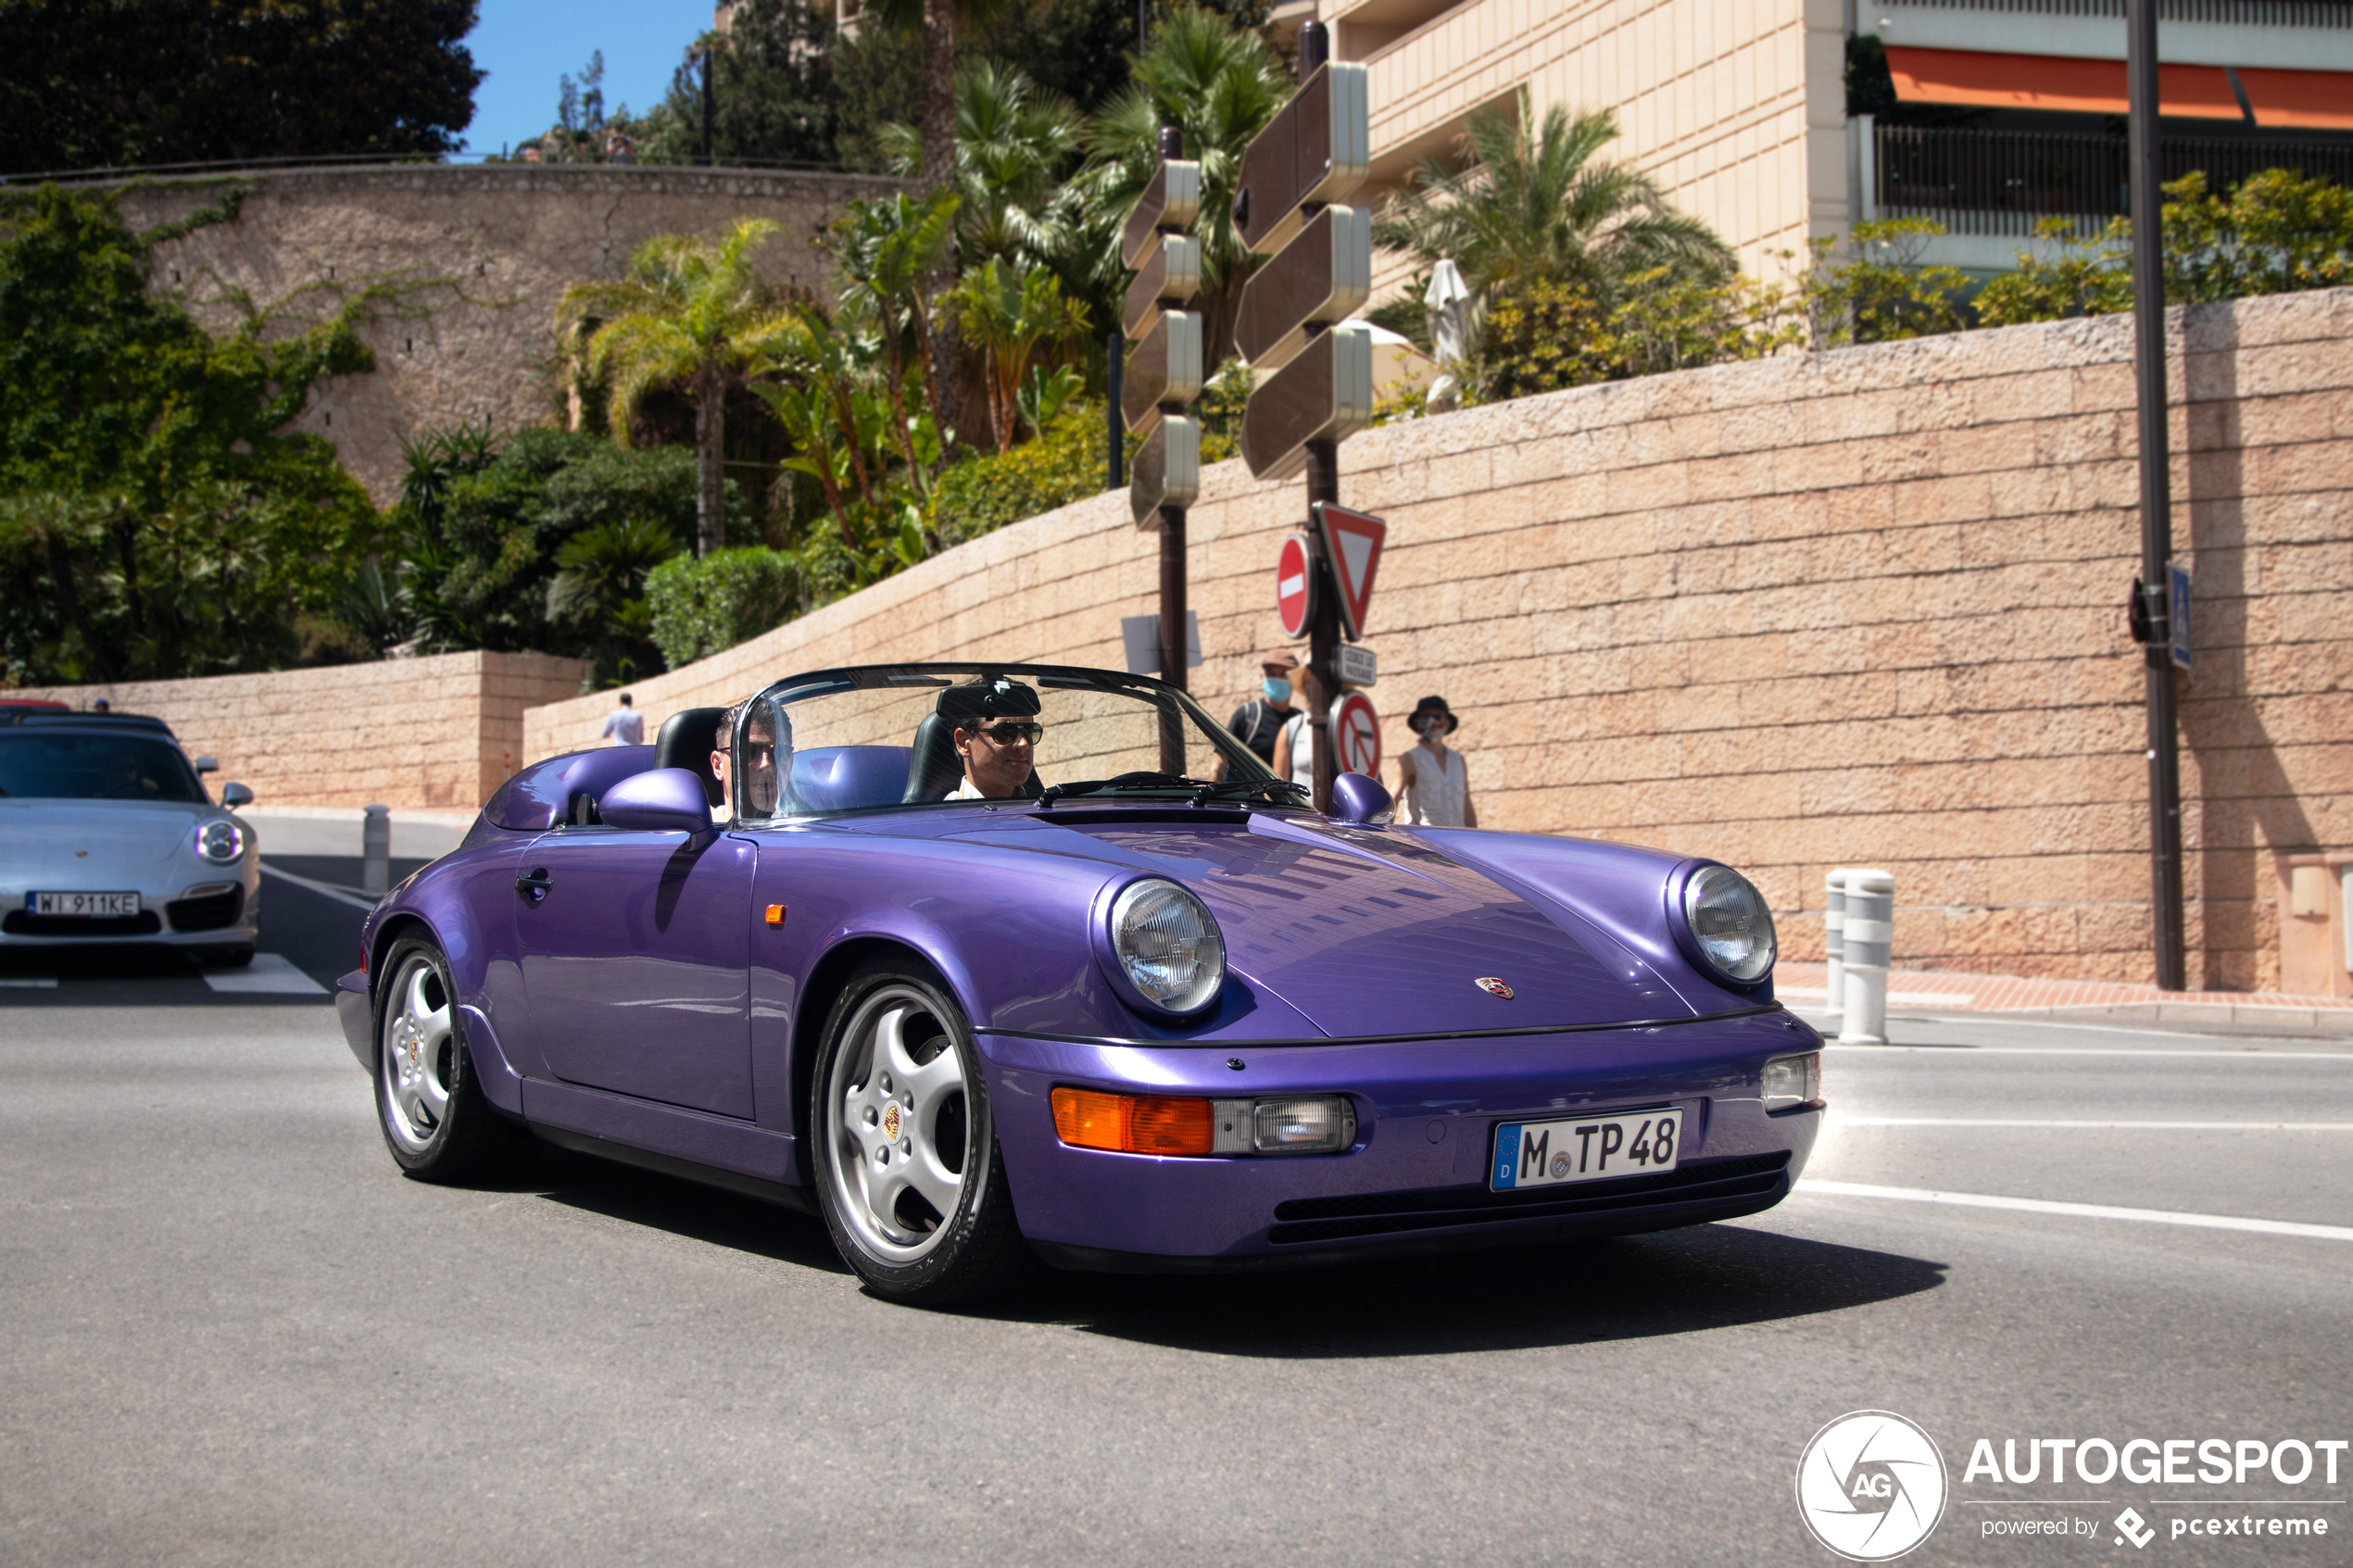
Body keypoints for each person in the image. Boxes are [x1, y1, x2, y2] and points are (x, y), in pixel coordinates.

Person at [942, 677, 1043, 799]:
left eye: (1029, 731)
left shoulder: (1052, 813)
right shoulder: (944, 817)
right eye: (1003, 732)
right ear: (963, 742)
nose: (1023, 743)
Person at [1216, 653, 1300, 780]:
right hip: (1247, 799)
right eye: (1271, 674)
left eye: (1283, 674)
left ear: (1294, 680)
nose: (1277, 679)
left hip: (1289, 798)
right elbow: (1219, 763)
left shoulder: (1300, 721)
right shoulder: (1247, 716)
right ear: (1262, 677)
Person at [1397, 695, 1476, 828]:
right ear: (1417, 721)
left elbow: (1466, 802)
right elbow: (1394, 796)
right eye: (1426, 716)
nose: (1431, 721)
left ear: (1447, 723)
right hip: (1425, 842)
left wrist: (1475, 840)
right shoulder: (1409, 759)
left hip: (1458, 841)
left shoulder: (1458, 760)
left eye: (1438, 716)